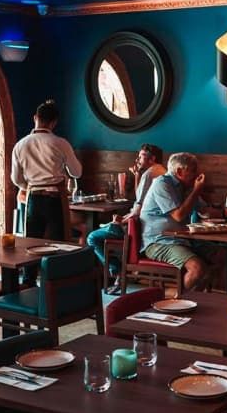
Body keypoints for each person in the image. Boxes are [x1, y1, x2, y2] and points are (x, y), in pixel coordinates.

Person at [11, 99, 82, 285]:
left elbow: (16, 179)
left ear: (35, 117)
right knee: (57, 245)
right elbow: (77, 172)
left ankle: (28, 282)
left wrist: (29, 186)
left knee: (31, 244)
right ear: (54, 122)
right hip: (55, 198)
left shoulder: (20, 145)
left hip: (33, 198)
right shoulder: (60, 143)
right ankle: (55, 285)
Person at [86, 144, 166, 295]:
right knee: (106, 228)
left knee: (92, 237)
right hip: (149, 226)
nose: (137, 159)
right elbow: (140, 198)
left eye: (141, 156)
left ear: (152, 158)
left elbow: (138, 209)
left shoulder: (149, 174)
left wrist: (121, 220)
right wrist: (137, 175)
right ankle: (122, 272)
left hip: (137, 229)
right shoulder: (162, 171)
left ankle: (118, 272)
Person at [140, 152, 222, 291]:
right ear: (179, 171)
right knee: (197, 268)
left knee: (221, 256)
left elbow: (205, 211)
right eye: (193, 170)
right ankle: (182, 301)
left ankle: (195, 298)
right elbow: (178, 215)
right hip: (158, 241)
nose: (197, 174)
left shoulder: (187, 186)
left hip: (183, 239)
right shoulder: (162, 183)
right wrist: (196, 190)